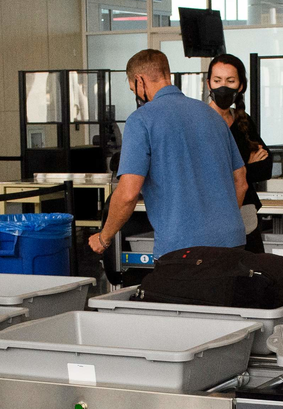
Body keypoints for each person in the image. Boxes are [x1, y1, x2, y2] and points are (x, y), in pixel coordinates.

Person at [86, 50, 247, 259]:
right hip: (232, 242)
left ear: (139, 81)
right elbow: (241, 182)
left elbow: (128, 194)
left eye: (132, 88)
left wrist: (103, 237)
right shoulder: (213, 116)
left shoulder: (141, 120)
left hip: (183, 248)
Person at [205, 53, 272, 252]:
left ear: (241, 85)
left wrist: (236, 171)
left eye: (230, 80)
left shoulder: (243, 120)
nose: (223, 86)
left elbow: (266, 167)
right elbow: (207, 175)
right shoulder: (200, 121)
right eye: (217, 80)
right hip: (214, 218)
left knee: (255, 274)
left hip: (247, 217)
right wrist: (245, 165)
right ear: (209, 83)